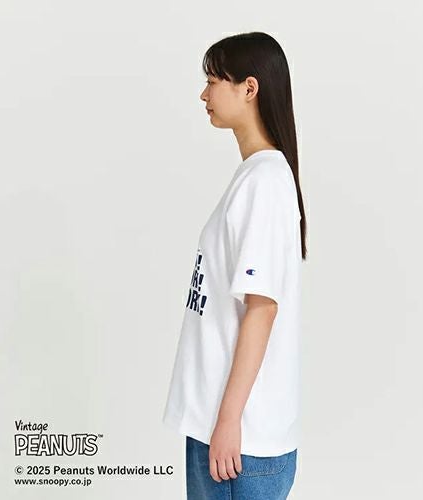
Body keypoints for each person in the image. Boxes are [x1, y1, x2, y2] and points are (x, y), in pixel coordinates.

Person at [162, 31, 308, 499]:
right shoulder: (255, 176)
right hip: (223, 431)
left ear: (249, 88)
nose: (203, 95)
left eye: (212, 81)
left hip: (239, 441)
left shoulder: (265, 181)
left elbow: (262, 308)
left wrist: (228, 421)